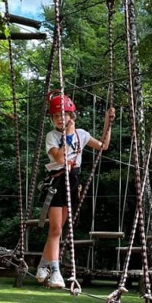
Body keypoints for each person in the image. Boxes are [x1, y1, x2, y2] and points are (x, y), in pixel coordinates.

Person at [36, 92, 115, 288]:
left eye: (63, 115)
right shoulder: (52, 136)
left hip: (72, 181)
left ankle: (42, 266)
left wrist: (108, 123)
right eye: (55, 116)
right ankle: (54, 270)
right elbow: (60, 158)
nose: (59, 119)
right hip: (57, 182)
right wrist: (67, 134)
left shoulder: (82, 134)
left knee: (58, 230)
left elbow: (103, 145)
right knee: (55, 229)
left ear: (72, 116)